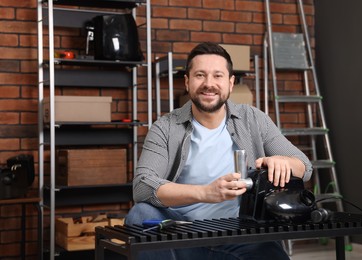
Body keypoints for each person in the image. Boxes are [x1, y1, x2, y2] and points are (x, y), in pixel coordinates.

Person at [125, 42, 313, 259]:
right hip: (181, 236)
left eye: (218, 76)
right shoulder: (166, 127)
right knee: (140, 214)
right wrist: (206, 193)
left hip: (238, 237)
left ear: (231, 83)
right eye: (200, 75)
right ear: (187, 81)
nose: (209, 84)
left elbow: (304, 167)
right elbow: (142, 186)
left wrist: (284, 162)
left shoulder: (253, 119)